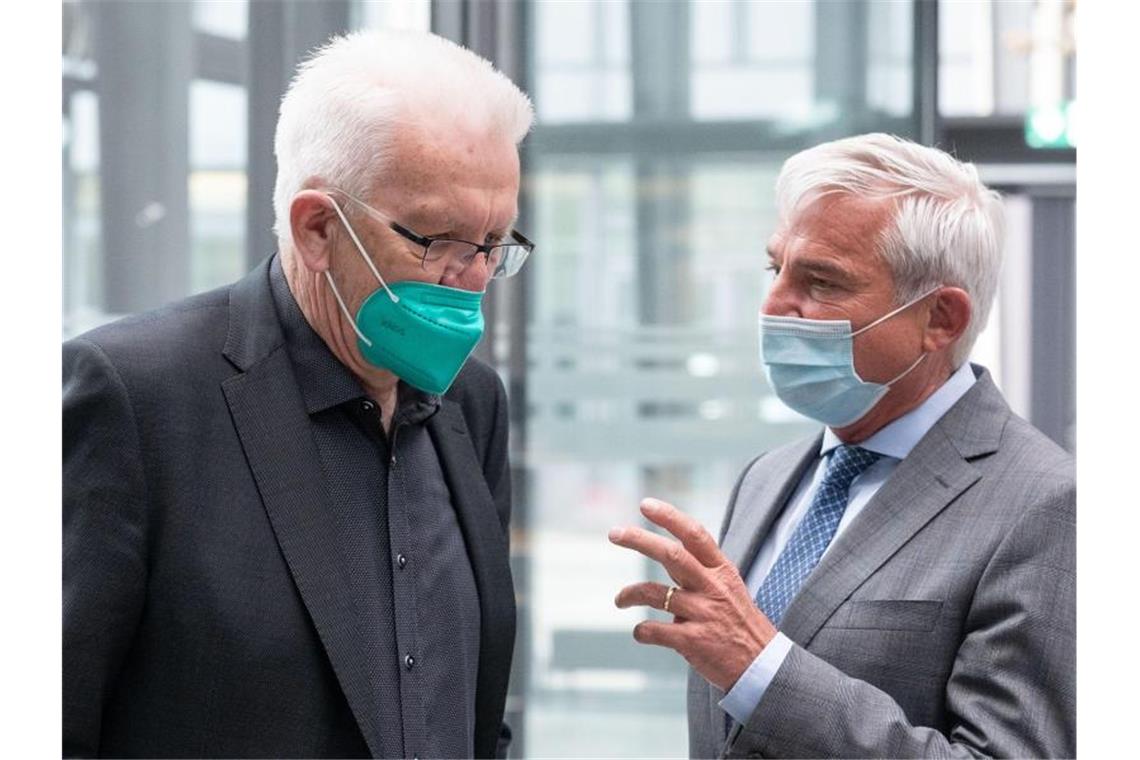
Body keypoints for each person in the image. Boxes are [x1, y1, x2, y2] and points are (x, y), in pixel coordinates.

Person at [63, 29, 534, 759]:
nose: (470, 277)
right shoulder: (134, 399)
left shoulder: (472, 404)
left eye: (493, 243)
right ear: (316, 228)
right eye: (436, 240)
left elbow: (470, 709)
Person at [609, 133, 1074, 758]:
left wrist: (761, 669)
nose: (775, 306)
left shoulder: (1044, 504)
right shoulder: (768, 478)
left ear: (941, 319)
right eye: (777, 269)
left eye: (822, 282)